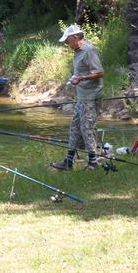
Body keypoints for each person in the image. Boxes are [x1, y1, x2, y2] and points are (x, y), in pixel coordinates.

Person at [51, 24, 104, 171]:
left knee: (87, 129)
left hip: (91, 97)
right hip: (81, 97)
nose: (67, 44)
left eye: (67, 41)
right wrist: (76, 78)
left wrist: (81, 78)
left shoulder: (89, 50)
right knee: (74, 128)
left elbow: (99, 72)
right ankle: (68, 162)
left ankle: (93, 163)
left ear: (75, 37)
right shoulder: (77, 52)